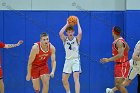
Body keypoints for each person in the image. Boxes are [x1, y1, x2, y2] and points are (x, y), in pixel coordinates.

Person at [100, 26, 130, 93]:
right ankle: (111, 91)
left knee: (119, 85)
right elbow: (128, 48)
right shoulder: (120, 40)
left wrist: (108, 59)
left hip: (122, 65)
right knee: (118, 84)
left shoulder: (119, 42)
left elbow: (120, 54)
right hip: (119, 64)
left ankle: (111, 91)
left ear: (113, 32)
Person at [59, 17, 82, 93]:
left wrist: (78, 22)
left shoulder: (77, 39)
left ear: (73, 32)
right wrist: (67, 24)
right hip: (68, 60)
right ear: (67, 33)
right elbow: (60, 33)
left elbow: (80, 33)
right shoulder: (65, 39)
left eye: (71, 31)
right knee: (64, 79)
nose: (70, 33)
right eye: (68, 32)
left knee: (76, 78)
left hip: (75, 60)